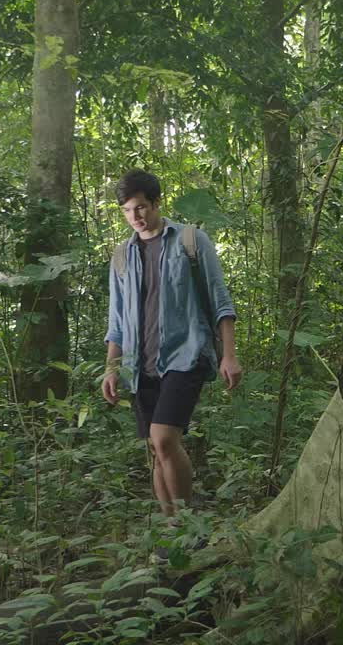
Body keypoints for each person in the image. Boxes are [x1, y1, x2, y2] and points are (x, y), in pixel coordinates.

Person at [101, 169, 242, 516]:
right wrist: (111, 369)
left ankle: (188, 525)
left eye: (141, 208)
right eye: (127, 211)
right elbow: (116, 322)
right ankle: (171, 533)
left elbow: (220, 301)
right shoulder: (122, 256)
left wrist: (229, 355)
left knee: (164, 439)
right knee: (154, 447)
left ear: (156, 203)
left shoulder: (190, 241)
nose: (135, 217)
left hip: (186, 355)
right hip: (140, 364)